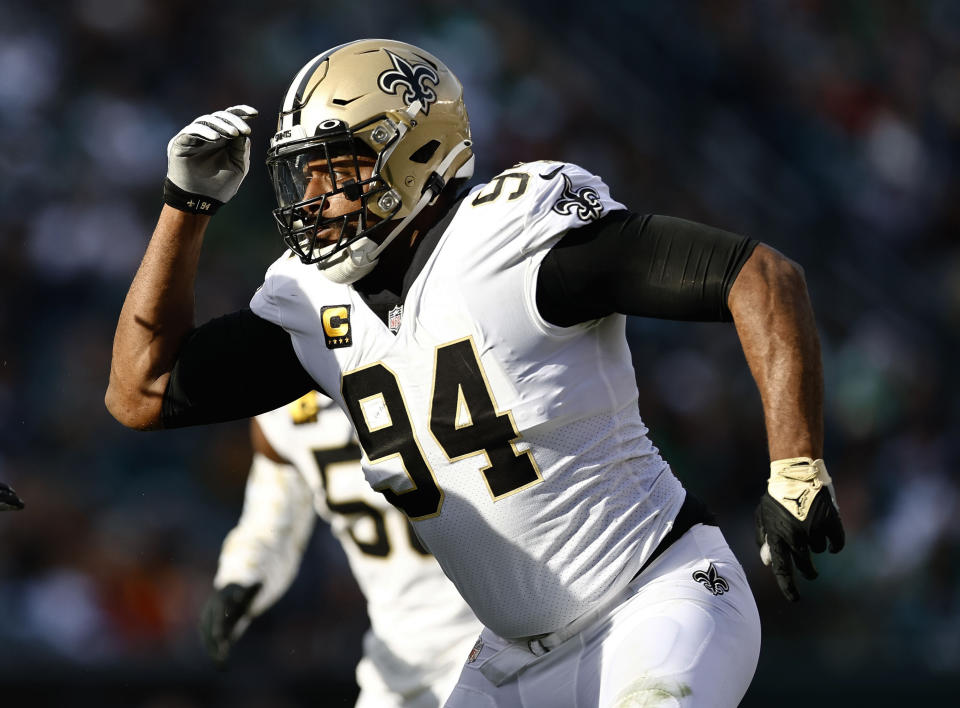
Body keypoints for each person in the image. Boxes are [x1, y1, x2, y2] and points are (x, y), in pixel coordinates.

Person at [106, 39, 845, 707]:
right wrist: (185, 206)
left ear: (419, 151)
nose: (315, 201)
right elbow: (139, 391)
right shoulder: (312, 306)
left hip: (656, 600)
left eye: (341, 168)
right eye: (307, 175)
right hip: (507, 662)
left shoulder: (510, 236)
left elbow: (759, 276)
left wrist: (797, 467)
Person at [198, 390, 481, 707]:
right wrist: (241, 576)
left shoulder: (422, 368)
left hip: (487, 633)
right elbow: (273, 517)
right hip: (396, 649)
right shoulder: (281, 411)